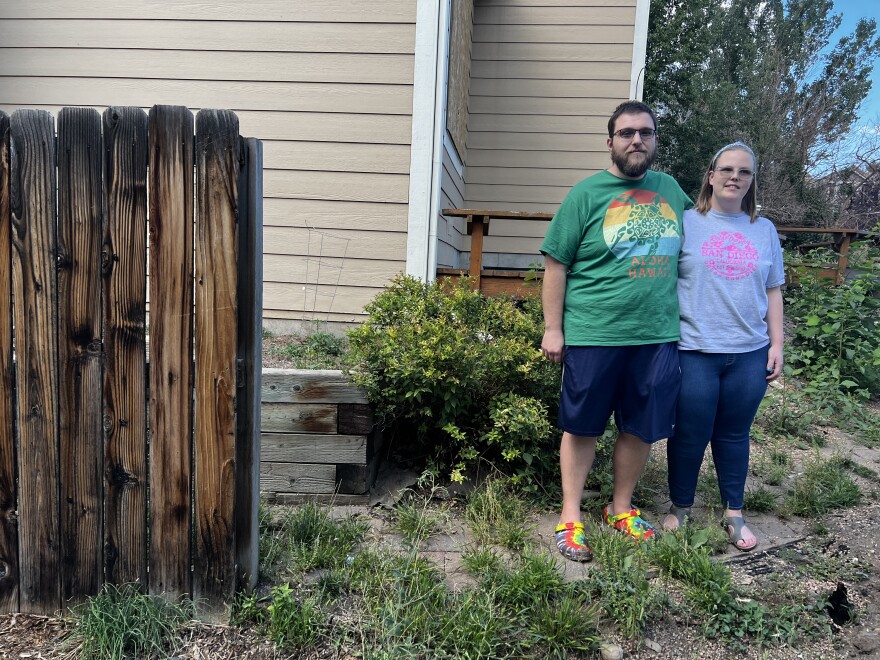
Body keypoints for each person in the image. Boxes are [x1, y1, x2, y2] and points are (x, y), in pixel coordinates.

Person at [540, 100, 692, 562]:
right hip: (594, 332)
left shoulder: (671, 191)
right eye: (626, 133)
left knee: (641, 429)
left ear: (655, 141)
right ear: (610, 142)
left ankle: (620, 508)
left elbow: (713, 225)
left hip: (656, 334)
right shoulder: (585, 194)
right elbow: (555, 263)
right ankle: (571, 516)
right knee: (582, 427)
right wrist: (553, 328)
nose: (636, 141)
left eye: (645, 133)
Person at [663, 141, 784, 552]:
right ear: (711, 176)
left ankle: (734, 513)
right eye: (727, 169)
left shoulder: (764, 230)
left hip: (749, 352)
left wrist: (776, 344)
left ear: (751, 182)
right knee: (690, 433)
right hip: (695, 349)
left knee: (734, 434)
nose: (735, 177)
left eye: (745, 172)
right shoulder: (685, 222)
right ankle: (680, 507)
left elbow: (773, 291)